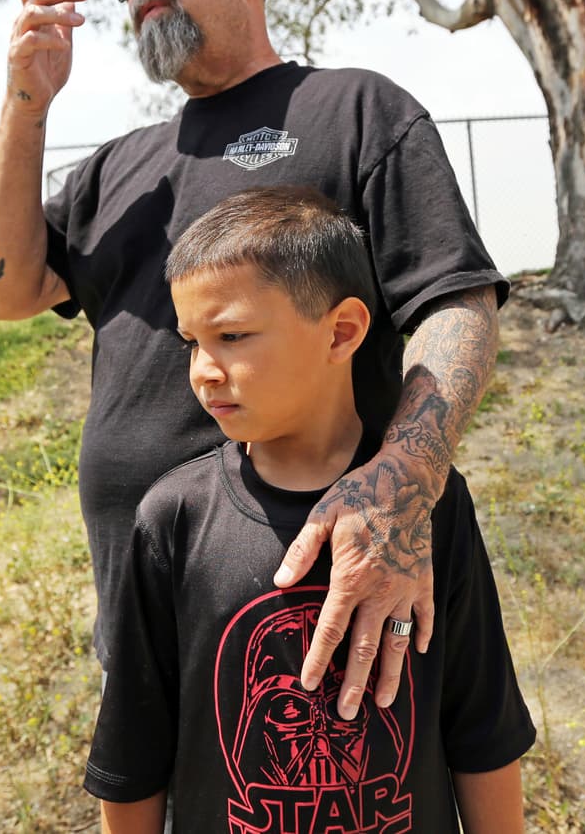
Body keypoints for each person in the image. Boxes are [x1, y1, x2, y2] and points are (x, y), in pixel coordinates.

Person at [0, 0, 508, 715]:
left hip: (323, 621)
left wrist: (402, 486)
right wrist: (26, 102)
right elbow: (2, 290)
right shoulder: (120, 167)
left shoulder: (357, 112)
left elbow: (456, 302)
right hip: (147, 620)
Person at [85, 186, 534, 833]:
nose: (204, 371)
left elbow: (482, 727)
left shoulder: (427, 507)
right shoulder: (174, 518)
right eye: (191, 342)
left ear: (342, 332)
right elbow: (134, 756)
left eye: (232, 335)